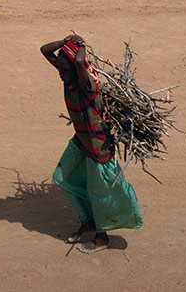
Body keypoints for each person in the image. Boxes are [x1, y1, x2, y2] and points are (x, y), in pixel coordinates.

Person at [40, 34, 143, 251]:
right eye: (59, 68)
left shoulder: (88, 87)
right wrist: (64, 42)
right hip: (81, 140)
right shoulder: (68, 78)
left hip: (99, 147)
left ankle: (102, 236)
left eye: (63, 69)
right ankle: (87, 222)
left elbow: (78, 62)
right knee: (61, 178)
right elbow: (44, 50)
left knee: (99, 193)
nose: (60, 73)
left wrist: (81, 45)